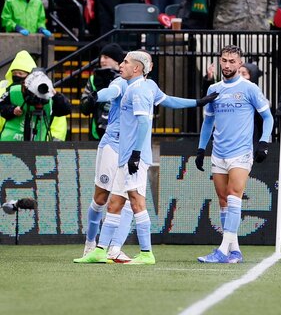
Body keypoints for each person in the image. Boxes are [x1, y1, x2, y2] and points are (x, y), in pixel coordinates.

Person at [75, 50, 218, 263]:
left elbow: (155, 111)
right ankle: (97, 248)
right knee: (109, 200)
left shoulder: (143, 88)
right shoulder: (125, 83)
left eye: (126, 61)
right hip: (116, 148)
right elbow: (110, 91)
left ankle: (133, 251)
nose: (121, 64)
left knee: (132, 201)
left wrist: (197, 102)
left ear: (139, 67)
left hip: (131, 151)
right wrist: (95, 96)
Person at [195, 45, 274, 264]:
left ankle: (222, 251)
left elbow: (268, 118)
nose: (227, 65)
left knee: (233, 194)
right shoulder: (214, 89)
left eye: (232, 61)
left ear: (240, 64)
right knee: (223, 200)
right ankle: (235, 251)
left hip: (241, 153)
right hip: (219, 153)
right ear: (220, 62)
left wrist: (263, 142)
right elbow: (208, 121)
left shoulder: (249, 88)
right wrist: (202, 148)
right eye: (224, 60)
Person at [0, 67, 71, 141]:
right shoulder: (14, 91)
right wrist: (12, 110)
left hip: (37, 147)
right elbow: (1, 106)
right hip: (10, 143)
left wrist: (55, 94)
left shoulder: (50, 97)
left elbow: (66, 109)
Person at [79, 43, 125, 141]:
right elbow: (84, 108)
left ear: (117, 61)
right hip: (97, 132)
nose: (102, 60)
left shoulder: (125, 79)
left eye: (106, 57)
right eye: (101, 57)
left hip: (121, 133)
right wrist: (91, 100)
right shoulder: (93, 79)